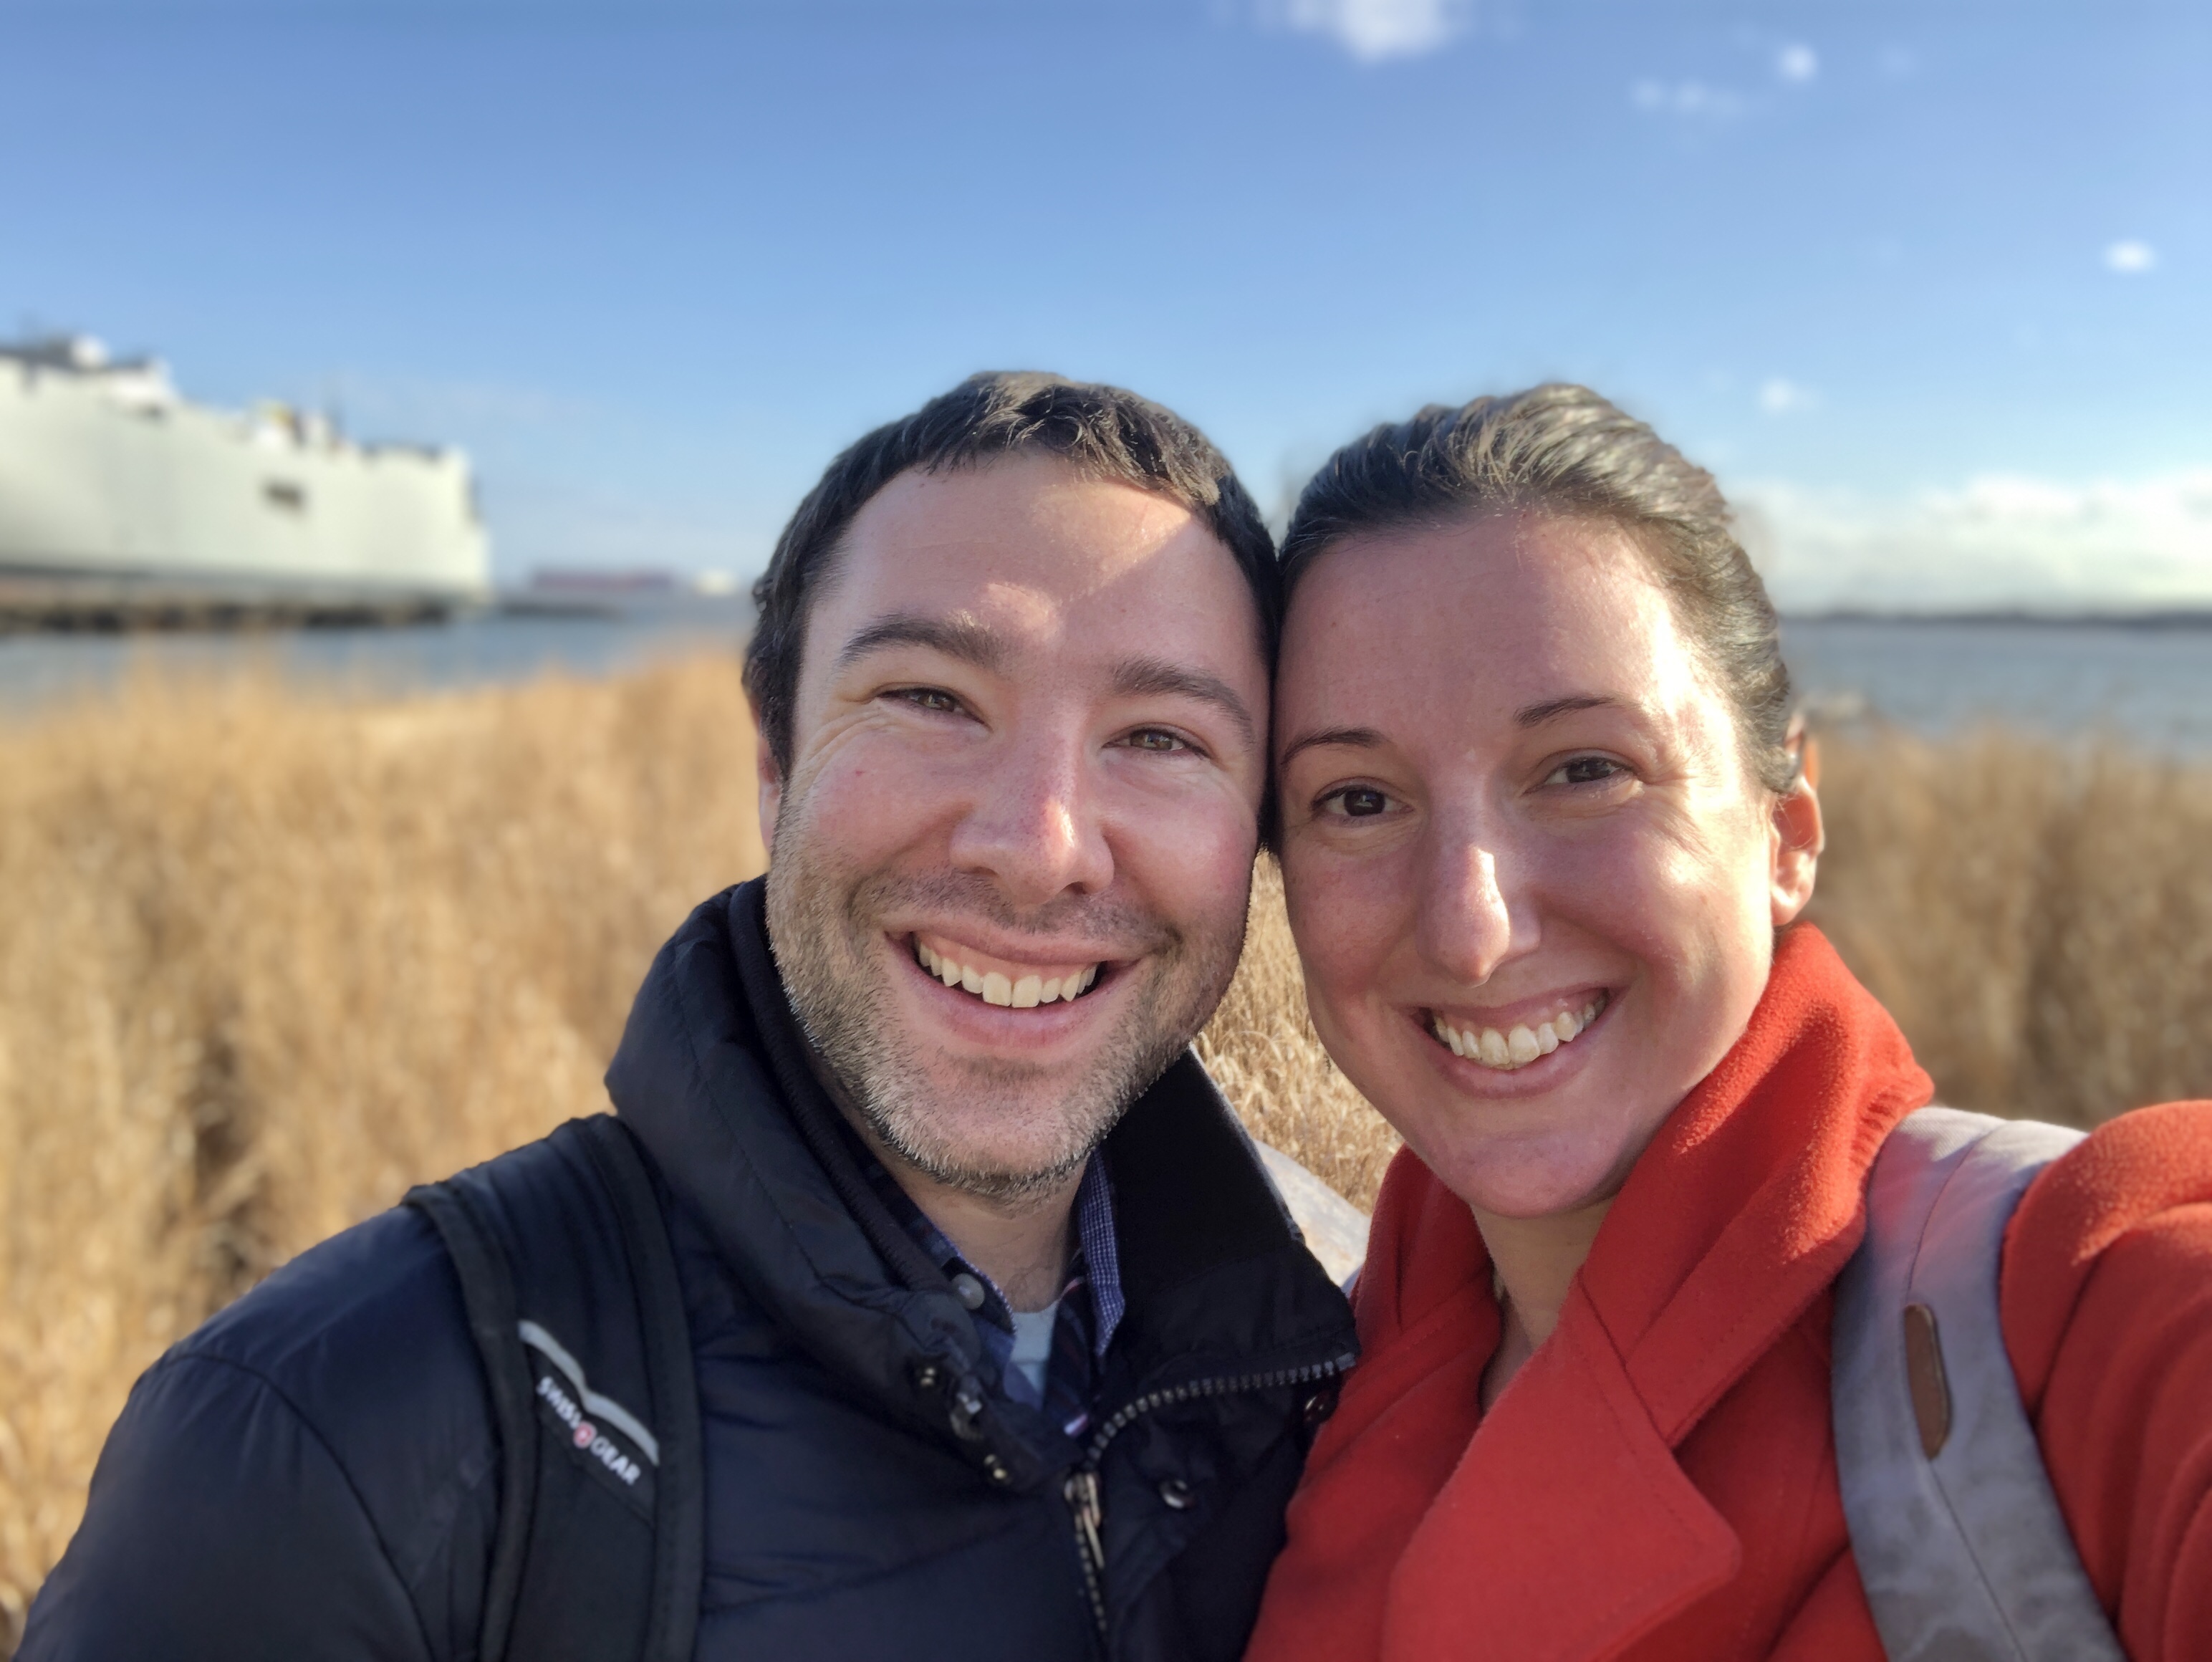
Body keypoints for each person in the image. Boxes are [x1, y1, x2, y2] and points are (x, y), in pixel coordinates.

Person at [22, 373, 1356, 1661]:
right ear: (775, 770)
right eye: (930, 699)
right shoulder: (337, 1438)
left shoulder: (1348, 1328)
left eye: (1163, 737)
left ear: (1257, 831)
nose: (1038, 846)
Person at [1241, 385, 2212, 1661]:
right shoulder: (1301, 1373)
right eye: (1358, 799)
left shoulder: (2062, 1317)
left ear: (1788, 828)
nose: (1471, 928)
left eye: (1587, 769)